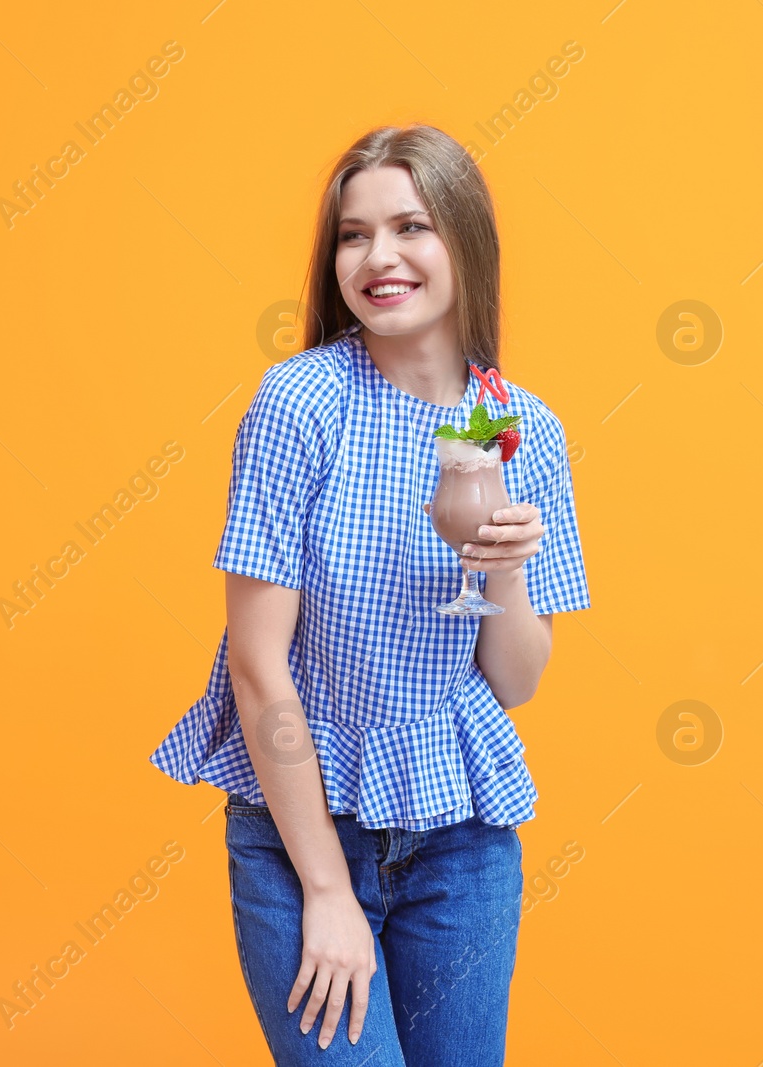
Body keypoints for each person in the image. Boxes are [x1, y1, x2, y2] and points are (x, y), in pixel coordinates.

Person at [148, 124, 591, 1065]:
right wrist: (324, 889)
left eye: (409, 228)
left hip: (460, 844)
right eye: (353, 235)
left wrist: (505, 565)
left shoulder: (521, 427)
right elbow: (260, 667)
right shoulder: (300, 404)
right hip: (305, 833)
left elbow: (515, 681)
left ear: (465, 242)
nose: (378, 258)